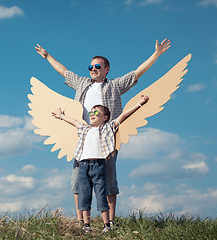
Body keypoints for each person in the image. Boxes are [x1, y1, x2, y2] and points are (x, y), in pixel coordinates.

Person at [35, 39, 170, 225]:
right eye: (90, 66)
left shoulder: (114, 86)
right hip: (83, 138)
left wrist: (156, 54)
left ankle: (110, 222)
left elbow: (137, 73)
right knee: (77, 180)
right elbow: (63, 71)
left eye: (97, 66)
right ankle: (82, 221)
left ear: (107, 69)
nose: (93, 69)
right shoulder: (82, 83)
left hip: (107, 139)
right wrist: (47, 56)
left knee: (109, 180)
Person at [52, 95, 149, 233]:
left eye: (96, 112)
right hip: (83, 165)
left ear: (105, 117)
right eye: (91, 112)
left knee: (101, 195)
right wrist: (61, 116)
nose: (92, 114)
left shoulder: (108, 128)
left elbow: (123, 116)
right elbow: (73, 122)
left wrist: (139, 104)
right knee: (84, 195)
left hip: (98, 166)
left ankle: (107, 225)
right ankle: (86, 225)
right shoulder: (85, 129)